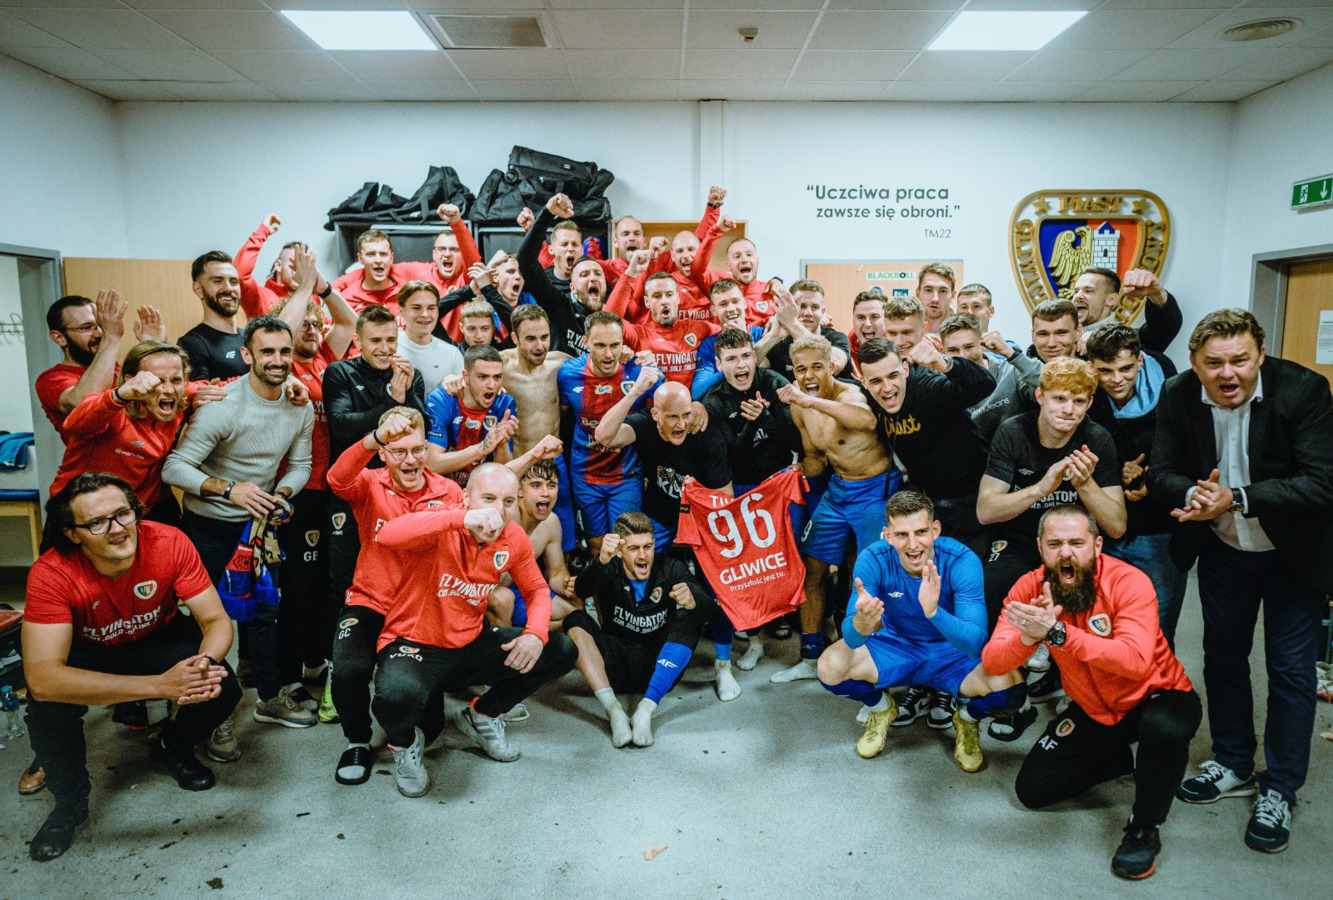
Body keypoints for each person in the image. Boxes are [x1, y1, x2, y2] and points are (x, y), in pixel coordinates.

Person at [1148, 309, 1333, 854]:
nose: (1228, 374)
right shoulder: (1178, 393)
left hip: (1293, 551)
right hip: (1224, 547)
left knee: (1290, 669)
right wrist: (1195, 494)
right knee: (1223, 656)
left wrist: (1240, 498)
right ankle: (1232, 762)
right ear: (1194, 362)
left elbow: (1323, 482)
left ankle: (1280, 787)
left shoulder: (1303, 390)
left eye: (1240, 360)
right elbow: (1161, 472)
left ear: (1261, 354)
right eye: (1214, 363)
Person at [21, 474, 240, 861]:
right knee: (48, 711)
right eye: (97, 523)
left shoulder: (169, 541)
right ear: (72, 534)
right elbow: (42, 679)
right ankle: (70, 803)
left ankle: (171, 748)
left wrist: (201, 667)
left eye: (123, 514)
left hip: (158, 635)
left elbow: (215, 620)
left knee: (220, 686)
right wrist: (161, 686)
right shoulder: (51, 573)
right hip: (89, 648)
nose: (117, 529)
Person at [983, 505, 1200, 881]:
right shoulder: (1029, 588)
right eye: (1055, 544)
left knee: (1163, 728)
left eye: (1076, 542)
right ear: (1040, 547)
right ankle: (1119, 759)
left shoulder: (1128, 582)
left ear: (1097, 546)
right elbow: (993, 661)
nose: (1066, 552)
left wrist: (1059, 634)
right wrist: (1028, 638)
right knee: (1032, 790)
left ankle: (1143, 828)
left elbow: (1135, 661)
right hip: (1094, 708)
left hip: (1157, 696)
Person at [369, 464, 579, 797]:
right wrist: (462, 519)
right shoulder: (443, 520)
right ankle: (405, 745)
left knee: (561, 649)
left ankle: (483, 715)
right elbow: (388, 534)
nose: (499, 510)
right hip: (414, 645)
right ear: (466, 498)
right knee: (395, 699)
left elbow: (537, 589)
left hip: (469, 644)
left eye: (508, 501)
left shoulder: (513, 537)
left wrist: (534, 634)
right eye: (488, 498)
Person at [162, 315, 315, 734]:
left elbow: (301, 464)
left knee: (265, 615)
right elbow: (174, 468)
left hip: (258, 529)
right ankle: (212, 713)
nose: (278, 360)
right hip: (208, 527)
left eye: (284, 351)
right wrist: (229, 490)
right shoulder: (223, 406)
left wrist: (281, 494)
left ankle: (269, 698)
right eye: (267, 351)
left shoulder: (299, 404)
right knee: (208, 621)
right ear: (247, 355)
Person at [817, 491, 1026, 771]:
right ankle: (881, 708)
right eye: (901, 535)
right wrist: (861, 624)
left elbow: (975, 643)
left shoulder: (961, 560)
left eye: (921, 532)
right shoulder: (873, 559)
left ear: (935, 530)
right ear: (888, 535)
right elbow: (853, 639)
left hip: (952, 651)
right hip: (896, 645)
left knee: (1010, 690)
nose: (913, 544)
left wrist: (934, 613)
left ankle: (967, 719)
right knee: (830, 666)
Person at [977, 356, 1126, 740]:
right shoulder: (1014, 431)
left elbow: (1116, 525)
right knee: (995, 589)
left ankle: (1078, 691)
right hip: (1020, 536)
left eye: (1078, 401)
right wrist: (1042, 487)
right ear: (1041, 396)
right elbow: (986, 511)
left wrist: (1086, 486)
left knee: (1095, 603)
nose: (1068, 410)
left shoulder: (1098, 438)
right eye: (1060, 399)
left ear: (1089, 403)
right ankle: (1015, 700)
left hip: (1071, 543)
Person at [325, 407, 464, 785]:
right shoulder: (369, 483)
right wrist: (373, 438)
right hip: (371, 599)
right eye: (398, 451)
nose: (410, 460)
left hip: (422, 609)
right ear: (384, 453)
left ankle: (407, 733)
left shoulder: (448, 490)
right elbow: (336, 478)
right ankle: (357, 740)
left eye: (418, 450)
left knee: (431, 725)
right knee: (348, 669)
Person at [266, 247, 357, 719]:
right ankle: (286, 681)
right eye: (302, 323)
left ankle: (315, 661)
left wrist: (322, 288)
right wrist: (301, 291)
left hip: (330, 489)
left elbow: (349, 322)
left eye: (314, 324)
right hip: (294, 489)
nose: (310, 329)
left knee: (323, 585)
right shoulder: (280, 367)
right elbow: (281, 331)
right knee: (297, 590)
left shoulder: (325, 359)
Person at [777, 334, 896, 683]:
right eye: (801, 369)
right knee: (810, 570)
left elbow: (866, 420)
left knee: (869, 577)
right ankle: (810, 654)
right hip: (838, 490)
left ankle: (869, 661)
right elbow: (815, 460)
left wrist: (811, 401)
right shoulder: (800, 406)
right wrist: (795, 472)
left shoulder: (849, 394)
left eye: (817, 367)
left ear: (831, 367)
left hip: (875, 492)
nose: (809, 375)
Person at [322, 305, 428, 692]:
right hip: (350, 487)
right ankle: (340, 673)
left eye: (390, 340)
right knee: (342, 580)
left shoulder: (409, 374)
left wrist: (404, 394)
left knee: (398, 577)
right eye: (376, 341)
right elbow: (341, 426)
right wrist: (391, 401)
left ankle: (392, 663)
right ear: (358, 341)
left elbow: (419, 429)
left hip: (396, 489)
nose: (385, 348)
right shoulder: (340, 372)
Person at [564, 513, 714, 747]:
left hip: (657, 666)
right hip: (614, 664)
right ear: (620, 551)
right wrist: (600, 561)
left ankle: (646, 709)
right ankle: (614, 710)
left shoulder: (671, 567)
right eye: (633, 548)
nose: (643, 556)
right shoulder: (609, 566)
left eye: (647, 547)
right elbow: (582, 590)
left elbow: (711, 613)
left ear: (654, 544)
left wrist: (694, 601)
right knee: (575, 620)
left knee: (688, 616)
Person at [1084, 324, 1185, 646]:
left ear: (1140, 360)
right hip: (1102, 528)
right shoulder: (1086, 398)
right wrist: (1117, 472)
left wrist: (1154, 479)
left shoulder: (1171, 391)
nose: (1117, 379)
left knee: (1157, 631)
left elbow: (1190, 452)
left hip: (1158, 531)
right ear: (1091, 366)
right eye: (1105, 370)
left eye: (1126, 368)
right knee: (1102, 628)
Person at [48, 341, 209, 520]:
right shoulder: (113, 410)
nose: (169, 389)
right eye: (157, 381)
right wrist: (119, 395)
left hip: (146, 506)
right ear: (131, 380)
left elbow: (229, 384)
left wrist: (209, 393)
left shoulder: (181, 395)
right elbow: (73, 425)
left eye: (176, 380)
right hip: (84, 509)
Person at [558, 311, 659, 554]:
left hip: (626, 474)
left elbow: (666, 407)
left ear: (623, 343)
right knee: (596, 545)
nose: (609, 354)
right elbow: (561, 417)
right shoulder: (568, 374)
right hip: (585, 474)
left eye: (615, 345)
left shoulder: (638, 371)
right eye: (600, 345)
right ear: (585, 342)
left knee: (625, 544)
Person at [594, 372, 733, 549]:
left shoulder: (707, 435)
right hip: (659, 517)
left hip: (700, 519)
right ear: (655, 414)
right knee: (637, 555)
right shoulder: (645, 424)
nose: (681, 424)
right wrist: (635, 392)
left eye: (686, 415)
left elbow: (725, 495)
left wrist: (698, 495)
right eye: (673, 417)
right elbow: (603, 437)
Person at [36, 291, 165, 435]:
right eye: (86, 327)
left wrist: (154, 349)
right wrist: (111, 338)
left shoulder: (117, 369)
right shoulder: (51, 380)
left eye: (100, 325)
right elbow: (85, 405)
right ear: (59, 338)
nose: (99, 333)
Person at [502, 305, 577, 552]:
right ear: (515, 338)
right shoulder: (500, 366)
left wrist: (628, 356)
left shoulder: (561, 363)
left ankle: (563, 568)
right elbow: (468, 374)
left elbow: (597, 365)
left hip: (555, 463)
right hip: (521, 462)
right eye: (531, 339)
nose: (539, 346)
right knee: (518, 533)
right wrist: (452, 381)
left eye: (544, 337)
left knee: (564, 530)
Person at [938, 313, 1042, 445]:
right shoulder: (941, 387)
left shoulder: (1010, 371)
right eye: (953, 350)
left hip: (1021, 451)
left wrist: (1011, 353)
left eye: (969, 347)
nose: (963, 356)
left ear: (982, 345)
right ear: (942, 351)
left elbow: (1052, 386)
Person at [519, 194, 601, 354]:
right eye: (564, 244)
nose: (570, 248)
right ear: (551, 249)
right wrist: (547, 212)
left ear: (582, 250)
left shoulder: (599, 285)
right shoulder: (555, 298)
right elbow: (526, 262)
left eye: (575, 244)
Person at [425, 344, 519, 486]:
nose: (491, 385)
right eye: (483, 377)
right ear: (465, 376)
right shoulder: (442, 400)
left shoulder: (503, 404)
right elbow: (431, 464)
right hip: (443, 488)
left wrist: (502, 443)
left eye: (497, 377)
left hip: (483, 489)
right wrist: (482, 448)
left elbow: (503, 476)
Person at [611, 269, 717, 387]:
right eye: (657, 296)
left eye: (669, 295)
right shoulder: (638, 334)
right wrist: (630, 273)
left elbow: (726, 331)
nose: (664, 301)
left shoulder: (700, 328)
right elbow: (609, 320)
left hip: (693, 398)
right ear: (647, 302)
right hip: (655, 398)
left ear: (678, 298)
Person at [232, 213, 331, 317]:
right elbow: (239, 276)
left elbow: (332, 324)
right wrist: (262, 231)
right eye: (295, 264)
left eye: (305, 266)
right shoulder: (260, 297)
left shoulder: (312, 297)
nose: (301, 271)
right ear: (278, 265)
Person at [1073, 266, 1182, 355]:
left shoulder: (1130, 341)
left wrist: (1156, 294)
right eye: (1076, 291)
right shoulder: (1065, 342)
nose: (1078, 296)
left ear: (1111, 299)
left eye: (1088, 291)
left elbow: (1166, 325)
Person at [178, 251, 249, 382]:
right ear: (198, 290)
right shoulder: (192, 344)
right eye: (217, 281)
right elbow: (198, 392)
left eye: (233, 282)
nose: (228, 288)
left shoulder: (251, 338)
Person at [762, 279, 850, 382]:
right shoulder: (782, 345)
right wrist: (773, 336)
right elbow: (751, 365)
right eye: (802, 306)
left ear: (822, 312)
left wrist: (791, 323)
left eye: (815, 307)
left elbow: (835, 364)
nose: (808, 313)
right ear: (790, 308)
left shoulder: (836, 338)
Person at [397, 281, 464, 389]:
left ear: (437, 311)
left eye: (431, 308)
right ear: (401, 311)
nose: (425, 314)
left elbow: (464, 396)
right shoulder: (388, 348)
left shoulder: (452, 354)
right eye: (416, 308)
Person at [331, 229, 405, 316]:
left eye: (383, 254)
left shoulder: (407, 293)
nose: (378, 260)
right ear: (360, 258)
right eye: (371, 254)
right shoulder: (347, 300)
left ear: (391, 257)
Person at [847, 290, 890, 377]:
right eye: (861, 317)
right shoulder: (844, 354)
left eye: (874, 317)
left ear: (886, 319)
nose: (867, 324)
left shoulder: (900, 349)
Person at [1026, 299, 1082, 363]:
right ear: (1033, 336)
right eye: (1043, 334)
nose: (1051, 344)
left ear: (1078, 332)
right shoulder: (1021, 368)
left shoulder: (1092, 366)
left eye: (1061, 333)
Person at [916, 262, 957, 334]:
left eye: (943, 291)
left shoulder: (965, 332)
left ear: (953, 295)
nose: (935, 299)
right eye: (928, 290)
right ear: (918, 293)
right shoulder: (903, 331)